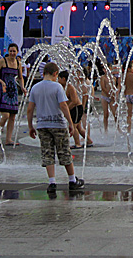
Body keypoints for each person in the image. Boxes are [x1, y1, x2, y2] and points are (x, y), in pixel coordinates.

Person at [27, 63, 85, 195]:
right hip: (58, 124)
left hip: (42, 125)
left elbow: (30, 109)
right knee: (64, 151)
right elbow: (63, 106)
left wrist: (31, 126)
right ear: (55, 74)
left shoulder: (35, 88)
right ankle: (72, 180)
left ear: (43, 73)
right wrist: (70, 123)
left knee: (47, 153)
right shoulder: (57, 86)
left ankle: (52, 183)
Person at [0, 43, 25, 146]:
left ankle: (8, 139)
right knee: (5, 115)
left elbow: (20, 77)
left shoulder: (18, 63)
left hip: (13, 91)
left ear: (17, 52)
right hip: (3, 90)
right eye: (10, 51)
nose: (12, 53)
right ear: (8, 51)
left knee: (12, 116)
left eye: (14, 51)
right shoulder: (3, 61)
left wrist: (22, 87)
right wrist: (1, 82)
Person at [58, 71, 87, 149]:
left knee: (73, 127)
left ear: (63, 79)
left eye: (59, 78)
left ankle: (77, 144)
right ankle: (89, 141)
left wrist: (67, 109)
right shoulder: (62, 87)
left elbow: (74, 101)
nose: (58, 80)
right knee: (79, 128)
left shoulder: (70, 87)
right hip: (73, 109)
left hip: (76, 108)